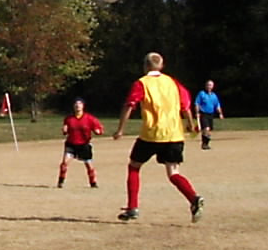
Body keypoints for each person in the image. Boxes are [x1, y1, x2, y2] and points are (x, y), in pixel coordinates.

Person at [112, 52, 204, 223]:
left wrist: (120, 129)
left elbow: (129, 105)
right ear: (161, 66)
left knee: (134, 166)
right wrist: (190, 124)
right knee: (173, 173)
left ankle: (132, 207)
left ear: (145, 66)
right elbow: (185, 106)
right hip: (174, 134)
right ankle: (193, 198)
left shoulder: (142, 83)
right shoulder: (173, 83)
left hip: (151, 134)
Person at [58, 98, 103, 188]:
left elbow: (98, 128)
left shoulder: (89, 118)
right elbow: (65, 130)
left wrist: (98, 131)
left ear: (83, 106)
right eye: (76, 104)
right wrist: (64, 130)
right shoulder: (69, 119)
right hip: (71, 144)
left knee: (89, 165)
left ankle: (93, 182)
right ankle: (61, 181)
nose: (77, 106)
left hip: (84, 145)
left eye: (79, 104)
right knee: (64, 163)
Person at [194, 80, 225, 150]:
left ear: (213, 86)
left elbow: (217, 105)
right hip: (203, 113)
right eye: (208, 85)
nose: (209, 86)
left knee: (209, 130)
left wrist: (220, 113)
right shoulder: (202, 94)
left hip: (211, 114)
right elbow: (197, 103)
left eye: (210, 85)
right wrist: (197, 112)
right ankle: (204, 144)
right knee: (206, 129)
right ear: (205, 86)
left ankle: (205, 144)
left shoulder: (214, 96)